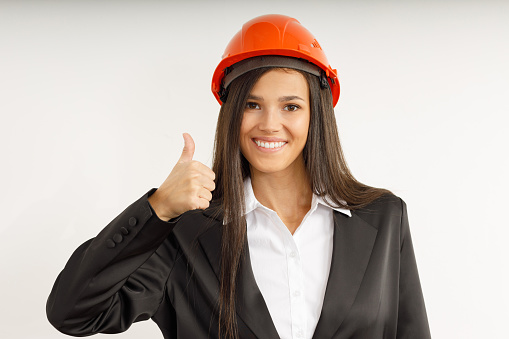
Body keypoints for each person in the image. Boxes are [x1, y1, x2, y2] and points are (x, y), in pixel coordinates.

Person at [47, 14, 431, 339]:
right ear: (231, 114)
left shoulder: (383, 218)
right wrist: (158, 209)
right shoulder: (186, 235)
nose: (270, 124)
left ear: (317, 115)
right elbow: (72, 312)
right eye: (252, 104)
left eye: (291, 106)